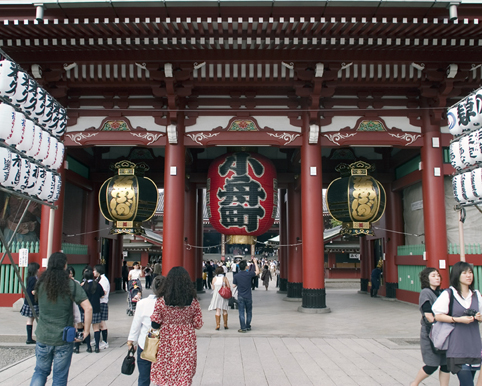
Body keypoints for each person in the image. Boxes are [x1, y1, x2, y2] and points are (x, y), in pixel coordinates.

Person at [30, 252, 92, 386]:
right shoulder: (71, 284)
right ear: (65, 266)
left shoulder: (41, 284)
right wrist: (86, 331)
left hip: (43, 335)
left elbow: (34, 296)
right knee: (60, 376)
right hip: (64, 338)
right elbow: (88, 308)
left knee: (40, 371)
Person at [150, 267, 203, 386]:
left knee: (165, 373)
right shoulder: (193, 302)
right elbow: (198, 324)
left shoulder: (161, 301)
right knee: (183, 375)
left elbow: (155, 323)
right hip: (186, 341)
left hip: (166, 341)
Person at [433, 261, 482, 386]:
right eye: (464, 273)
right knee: (467, 383)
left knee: (467, 382)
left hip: (474, 346)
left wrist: (479, 317)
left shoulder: (476, 295)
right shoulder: (448, 294)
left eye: (470, 272)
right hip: (457, 347)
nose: (468, 276)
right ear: (457, 275)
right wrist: (458, 319)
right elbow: (437, 315)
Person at [409, 267, 450, 386]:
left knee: (445, 364)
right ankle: (415, 383)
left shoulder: (442, 293)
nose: (437, 278)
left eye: (438, 275)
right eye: (433, 276)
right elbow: (428, 315)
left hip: (443, 332)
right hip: (430, 333)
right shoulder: (426, 292)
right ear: (426, 279)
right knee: (432, 365)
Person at [127, 275, 166, 386]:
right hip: (163, 345)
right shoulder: (169, 304)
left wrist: (131, 340)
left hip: (145, 343)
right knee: (162, 378)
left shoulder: (142, 303)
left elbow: (136, 324)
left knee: (144, 378)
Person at [76, 268, 104, 354]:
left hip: (85, 310)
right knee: (96, 328)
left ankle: (88, 347)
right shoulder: (97, 285)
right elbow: (102, 294)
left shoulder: (83, 286)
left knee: (85, 328)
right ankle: (97, 347)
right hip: (96, 308)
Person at [232, 258, 259, 333]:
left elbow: (234, 286)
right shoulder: (249, 274)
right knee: (249, 312)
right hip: (248, 296)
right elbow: (257, 272)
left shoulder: (236, 276)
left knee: (241, 312)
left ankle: (243, 327)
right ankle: (248, 326)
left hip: (240, 296)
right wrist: (255, 263)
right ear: (246, 267)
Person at [20, 262, 40, 344]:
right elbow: (33, 291)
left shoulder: (29, 277)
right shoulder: (33, 279)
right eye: (38, 268)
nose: (39, 270)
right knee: (32, 319)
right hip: (33, 302)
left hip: (28, 301)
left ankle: (29, 337)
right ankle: (30, 338)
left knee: (30, 319)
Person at [94, 264, 110, 350]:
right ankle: (100, 340)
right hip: (100, 302)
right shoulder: (99, 279)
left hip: (102, 303)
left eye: (95, 270)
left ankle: (105, 341)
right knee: (99, 323)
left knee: (102, 322)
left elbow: (103, 293)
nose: (94, 272)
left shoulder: (103, 280)